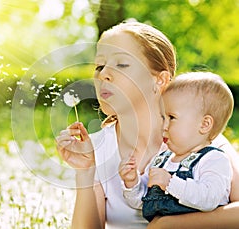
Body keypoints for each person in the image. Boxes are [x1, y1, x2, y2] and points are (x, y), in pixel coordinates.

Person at [55, 20, 239, 229]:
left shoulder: (201, 141)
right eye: (99, 65)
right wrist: (85, 172)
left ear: (159, 80)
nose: (103, 74)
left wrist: (168, 225)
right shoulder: (95, 151)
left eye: (121, 64)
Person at [120, 72, 233, 222]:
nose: (164, 125)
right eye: (162, 117)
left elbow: (209, 199)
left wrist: (170, 183)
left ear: (204, 124)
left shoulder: (214, 159)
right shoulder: (161, 160)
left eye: (172, 117)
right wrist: (132, 182)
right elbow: (142, 202)